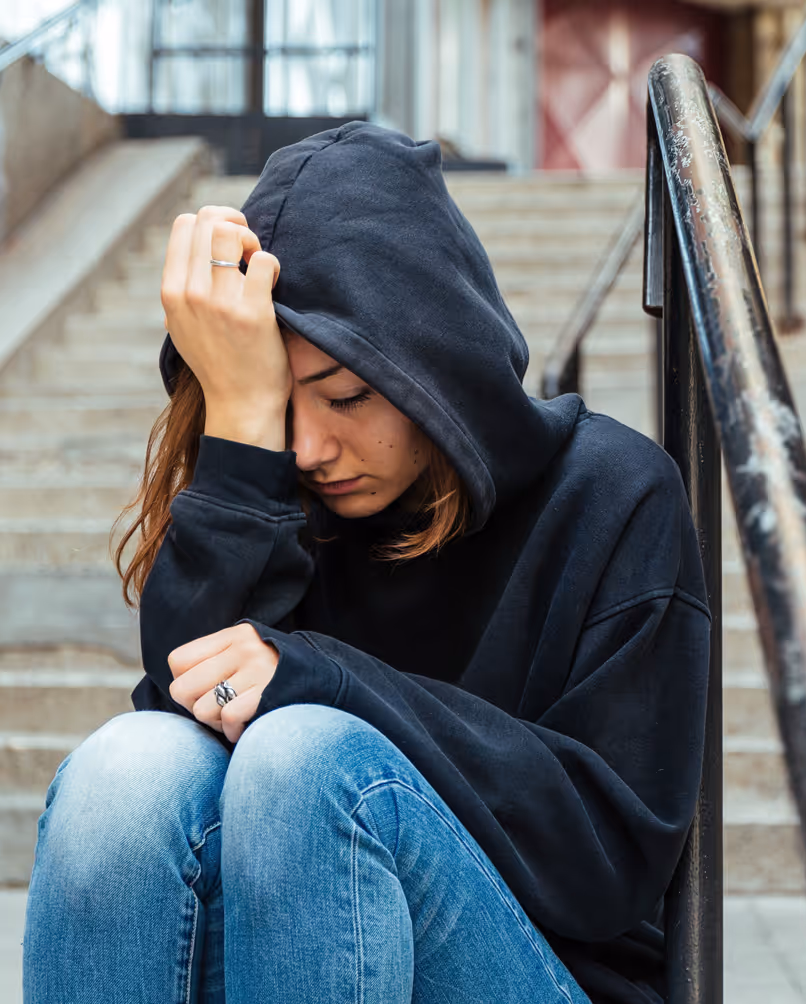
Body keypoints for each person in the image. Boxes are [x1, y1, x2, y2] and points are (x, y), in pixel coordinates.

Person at [21, 121, 712, 1004]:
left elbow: (608, 864)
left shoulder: (613, 494)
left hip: (548, 971)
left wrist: (332, 685)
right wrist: (239, 425)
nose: (309, 447)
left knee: (305, 758)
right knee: (125, 769)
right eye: (279, 403)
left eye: (346, 395)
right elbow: (185, 704)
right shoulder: (281, 487)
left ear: (435, 365)